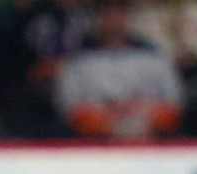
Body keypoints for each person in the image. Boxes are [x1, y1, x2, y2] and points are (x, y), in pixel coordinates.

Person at [56, 0, 183, 139]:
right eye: (107, 14)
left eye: (120, 13)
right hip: (93, 142)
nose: (113, 20)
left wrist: (140, 116)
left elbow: (174, 103)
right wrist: (108, 121)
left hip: (151, 139)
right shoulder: (78, 61)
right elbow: (68, 107)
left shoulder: (154, 57)